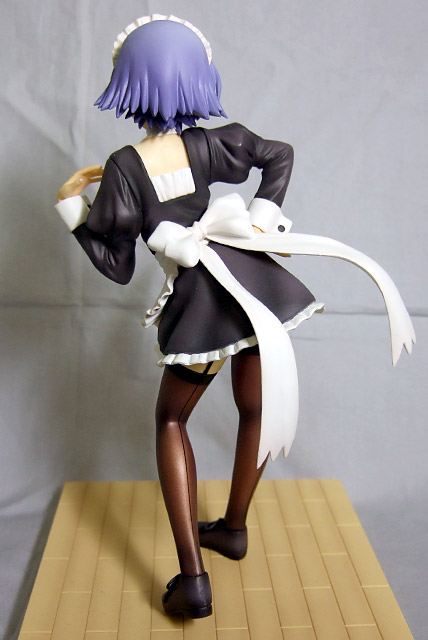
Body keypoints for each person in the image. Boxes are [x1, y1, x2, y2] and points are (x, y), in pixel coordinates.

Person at [56, 15, 415, 619]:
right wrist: (260, 219)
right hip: (252, 284)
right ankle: (235, 528)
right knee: (256, 407)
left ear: (130, 83)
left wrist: (73, 207)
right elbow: (279, 154)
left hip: (205, 302)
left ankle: (194, 579)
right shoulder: (206, 144)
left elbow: (116, 265)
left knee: (172, 419)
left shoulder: (123, 167)